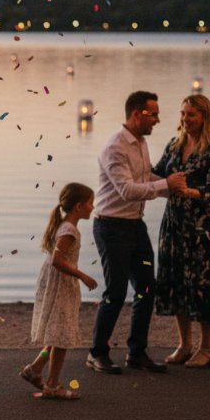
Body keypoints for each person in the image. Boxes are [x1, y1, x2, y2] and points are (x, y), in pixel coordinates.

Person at [87, 90, 188, 375]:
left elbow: (145, 180)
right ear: (136, 114)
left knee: (146, 288)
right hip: (111, 227)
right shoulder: (115, 147)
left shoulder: (141, 143)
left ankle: (136, 351)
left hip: (135, 226)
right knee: (116, 292)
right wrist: (166, 183)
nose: (157, 119)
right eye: (152, 114)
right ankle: (97, 352)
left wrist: (172, 189)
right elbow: (128, 190)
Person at [153, 95, 210, 368]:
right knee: (176, 280)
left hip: (202, 228)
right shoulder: (174, 145)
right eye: (183, 113)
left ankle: (207, 347)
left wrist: (186, 190)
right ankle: (184, 344)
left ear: (204, 117)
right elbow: (156, 174)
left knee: (204, 284)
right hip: (173, 224)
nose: (185, 119)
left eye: (191, 114)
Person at [20, 183, 99, 400]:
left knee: (56, 332)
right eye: (90, 203)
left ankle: (35, 369)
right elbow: (57, 260)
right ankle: (53, 385)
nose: (93, 207)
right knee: (62, 335)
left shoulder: (63, 225)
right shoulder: (69, 230)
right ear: (78, 206)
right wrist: (82, 275)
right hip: (60, 284)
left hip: (57, 283)